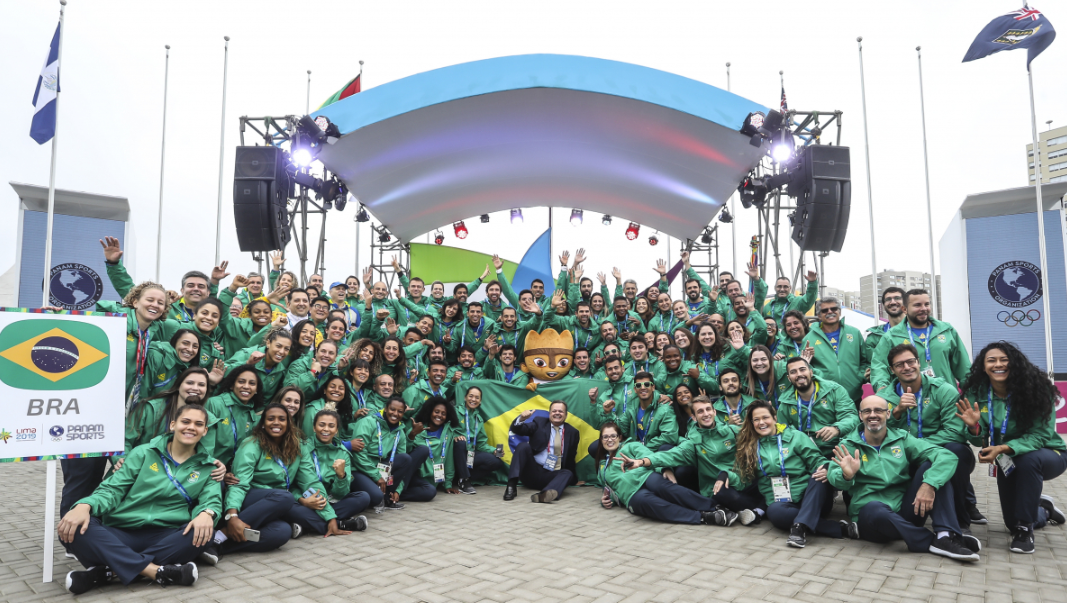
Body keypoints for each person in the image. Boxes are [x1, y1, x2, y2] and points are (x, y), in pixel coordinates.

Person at [58, 405, 219, 593]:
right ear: (173, 425)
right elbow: (113, 488)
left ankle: (107, 572)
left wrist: (207, 513)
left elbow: (212, 500)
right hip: (122, 530)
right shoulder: (143, 453)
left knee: (203, 533)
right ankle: (156, 571)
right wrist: (86, 504)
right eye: (186, 421)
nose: (191, 427)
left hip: (166, 534)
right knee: (75, 526)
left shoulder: (209, 467)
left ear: (205, 431)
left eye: (198, 424)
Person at [828, 396, 979, 561]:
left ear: (888, 414)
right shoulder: (848, 444)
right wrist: (846, 476)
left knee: (932, 469)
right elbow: (833, 477)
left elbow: (946, 456)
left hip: (907, 510)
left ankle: (944, 534)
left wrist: (929, 484)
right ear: (860, 415)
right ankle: (936, 540)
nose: (872, 415)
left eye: (878, 410)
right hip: (872, 518)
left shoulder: (901, 438)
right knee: (874, 509)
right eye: (867, 411)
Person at [956, 341, 1067, 554]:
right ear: (983, 366)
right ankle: (1042, 510)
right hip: (1006, 457)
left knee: (1028, 460)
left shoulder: (1036, 387)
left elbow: (1040, 435)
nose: (998, 364)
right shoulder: (977, 392)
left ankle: (1026, 531)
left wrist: (1003, 448)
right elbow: (977, 439)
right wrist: (974, 428)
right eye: (992, 360)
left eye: (1004, 360)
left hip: (1049, 453)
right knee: (1010, 523)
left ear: (1014, 363)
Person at [879, 343, 980, 535]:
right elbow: (877, 433)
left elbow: (954, 432)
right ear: (892, 370)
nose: (907, 367)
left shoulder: (944, 390)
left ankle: (960, 521)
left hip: (938, 449)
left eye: (910, 362)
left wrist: (918, 446)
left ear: (919, 362)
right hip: (903, 455)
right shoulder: (884, 398)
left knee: (956, 451)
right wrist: (897, 412)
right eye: (899, 365)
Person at [218, 405, 329, 558]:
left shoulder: (297, 445)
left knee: (281, 532)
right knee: (285, 497)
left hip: (277, 503)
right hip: (251, 498)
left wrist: (330, 515)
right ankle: (225, 531)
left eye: (282, 419)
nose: (276, 422)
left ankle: (219, 546)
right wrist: (232, 516)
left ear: (289, 423)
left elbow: (310, 480)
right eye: (271, 419)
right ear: (263, 423)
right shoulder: (251, 445)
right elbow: (239, 484)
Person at [729, 400, 844, 547]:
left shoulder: (796, 436)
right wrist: (725, 476)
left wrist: (827, 467)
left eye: (765, 417)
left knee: (819, 473)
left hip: (811, 499)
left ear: (775, 418)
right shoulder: (749, 446)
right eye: (756, 419)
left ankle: (799, 527)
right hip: (783, 503)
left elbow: (817, 460)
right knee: (774, 513)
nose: (761, 422)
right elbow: (742, 478)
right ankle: (831, 528)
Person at [632, 396, 745, 525]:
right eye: (700, 411)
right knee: (723, 494)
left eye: (708, 409)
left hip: (738, 479)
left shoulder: (732, 431)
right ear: (694, 417)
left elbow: (753, 438)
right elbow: (671, 454)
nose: (706, 414)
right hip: (717, 487)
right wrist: (643, 461)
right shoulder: (693, 441)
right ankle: (745, 510)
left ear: (714, 412)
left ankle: (755, 510)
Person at [597, 424, 727, 525]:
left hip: (646, 476)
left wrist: (664, 469)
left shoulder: (630, 446)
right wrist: (606, 501)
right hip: (632, 494)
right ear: (601, 440)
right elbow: (609, 490)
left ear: (619, 437)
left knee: (666, 488)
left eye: (613, 436)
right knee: (652, 504)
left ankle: (714, 506)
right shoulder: (602, 467)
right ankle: (705, 517)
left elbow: (650, 456)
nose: (610, 440)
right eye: (605, 437)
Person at [871, 288, 971, 392]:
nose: (923, 308)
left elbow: (963, 367)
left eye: (927, 304)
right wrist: (882, 389)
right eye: (917, 305)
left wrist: (972, 391)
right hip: (909, 400)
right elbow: (879, 367)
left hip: (946, 398)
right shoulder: (891, 337)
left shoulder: (946, 330)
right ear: (904, 309)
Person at [288, 409, 369, 536]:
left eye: (331, 426)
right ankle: (339, 524)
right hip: (306, 498)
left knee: (363, 497)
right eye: (321, 425)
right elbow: (297, 484)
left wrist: (341, 476)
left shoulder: (343, 453)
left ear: (336, 430)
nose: (326, 429)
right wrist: (302, 500)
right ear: (314, 428)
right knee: (291, 507)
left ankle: (308, 526)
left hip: (330, 500)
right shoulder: (302, 448)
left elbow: (340, 494)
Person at [349, 397, 431, 510]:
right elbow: (358, 456)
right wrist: (377, 476)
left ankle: (388, 497)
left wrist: (398, 490)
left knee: (405, 458)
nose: (395, 414)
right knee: (375, 497)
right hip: (360, 470)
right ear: (386, 409)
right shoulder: (367, 422)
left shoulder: (400, 432)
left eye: (400, 411)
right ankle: (376, 495)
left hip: (382, 469)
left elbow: (404, 466)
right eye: (392, 409)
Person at [124, 367, 215, 456]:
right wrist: (122, 460)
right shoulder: (151, 408)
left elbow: (205, 455)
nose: (195, 388)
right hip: (141, 466)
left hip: (181, 469)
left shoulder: (209, 420)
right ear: (178, 386)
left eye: (201, 385)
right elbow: (125, 441)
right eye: (189, 383)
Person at [777, 357, 858, 457]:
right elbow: (783, 432)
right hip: (806, 453)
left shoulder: (834, 390)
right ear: (789, 378)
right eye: (793, 372)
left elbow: (852, 417)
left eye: (802, 369)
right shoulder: (785, 402)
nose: (799, 374)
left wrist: (837, 428)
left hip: (837, 447)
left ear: (811, 372)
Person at [504, 401, 579, 503]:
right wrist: (521, 419)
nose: (557, 413)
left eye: (560, 411)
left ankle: (545, 494)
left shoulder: (573, 432)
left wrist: (573, 479)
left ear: (566, 415)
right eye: (554, 411)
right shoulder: (539, 423)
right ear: (549, 414)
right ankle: (511, 487)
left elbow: (571, 457)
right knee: (523, 446)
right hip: (532, 471)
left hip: (551, 476)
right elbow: (519, 430)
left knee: (568, 473)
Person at [803, 298, 869, 403]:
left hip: (853, 397)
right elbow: (805, 366)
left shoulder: (854, 333)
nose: (830, 312)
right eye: (825, 310)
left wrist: (859, 377)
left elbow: (865, 361)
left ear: (840, 312)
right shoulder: (809, 338)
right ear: (819, 316)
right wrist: (819, 378)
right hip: (824, 398)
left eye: (834, 308)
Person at [203, 366, 265, 470]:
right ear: (232, 385)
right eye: (241, 381)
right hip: (208, 467)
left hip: (233, 471)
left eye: (252, 383)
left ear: (256, 389)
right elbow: (203, 444)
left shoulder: (254, 417)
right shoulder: (214, 404)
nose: (246, 386)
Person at [409, 397, 468, 499]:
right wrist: (412, 434)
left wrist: (448, 484)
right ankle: (396, 492)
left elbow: (449, 459)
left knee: (430, 492)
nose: (439, 415)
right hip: (415, 475)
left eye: (443, 413)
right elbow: (406, 453)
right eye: (436, 412)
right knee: (423, 450)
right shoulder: (418, 429)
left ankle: (398, 495)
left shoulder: (448, 433)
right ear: (429, 412)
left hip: (432, 480)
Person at [225, 328, 294, 401]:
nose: (282, 351)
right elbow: (222, 371)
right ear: (268, 343)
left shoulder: (280, 371)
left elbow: (266, 399)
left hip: (253, 410)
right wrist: (247, 364)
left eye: (286, 349)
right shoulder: (248, 354)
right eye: (278, 346)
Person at [458, 386, 507, 486]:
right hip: (456, 453)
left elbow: (480, 444)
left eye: (477, 397)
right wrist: (454, 435)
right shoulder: (455, 412)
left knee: (496, 462)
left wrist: (493, 450)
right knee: (460, 443)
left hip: (470, 454)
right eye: (471, 396)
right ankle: (463, 479)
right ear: (465, 397)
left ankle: (465, 478)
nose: (473, 399)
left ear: (480, 401)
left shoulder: (478, 419)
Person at [589, 355, 637, 429]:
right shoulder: (604, 397)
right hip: (616, 437)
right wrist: (593, 402)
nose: (614, 371)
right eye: (610, 369)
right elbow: (597, 424)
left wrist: (660, 397)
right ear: (606, 372)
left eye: (616, 367)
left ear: (623, 368)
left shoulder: (635, 383)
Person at [864, 287, 905, 361]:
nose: (892, 302)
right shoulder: (873, 337)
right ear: (883, 305)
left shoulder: (918, 331)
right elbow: (868, 363)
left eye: (897, 298)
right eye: (888, 299)